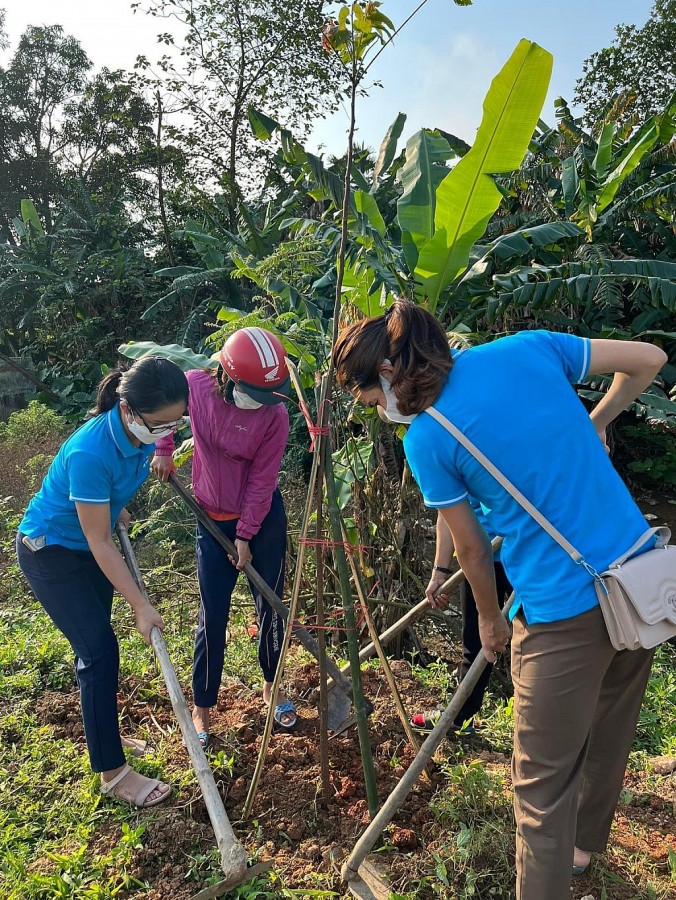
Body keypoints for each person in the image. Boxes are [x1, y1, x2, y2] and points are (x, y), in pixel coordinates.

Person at [333, 299, 666, 900]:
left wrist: (489, 620)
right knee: (610, 728)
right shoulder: (528, 348)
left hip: (564, 613)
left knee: (539, 788)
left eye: (367, 398)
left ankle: (554, 873)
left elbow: (475, 551)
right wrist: (599, 417)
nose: (376, 410)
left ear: (385, 373)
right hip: (641, 585)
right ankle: (583, 851)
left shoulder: (429, 436)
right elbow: (649, 358)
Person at [17, 357, 189, 809]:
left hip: (86, 542)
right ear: (128, 409)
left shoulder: (141, 431)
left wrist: (114, 507)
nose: (166, 432)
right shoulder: (91, 451)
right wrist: (141, 605)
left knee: (96, 651)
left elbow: (104, 510)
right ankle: (113, 773)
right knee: (98, 651)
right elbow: (98, 541)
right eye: (160, 424)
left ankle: (105, 737)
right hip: (51, 551)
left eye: (176, 423)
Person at [152, 326, 295, 748]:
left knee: (270, 605)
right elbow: (161, 410)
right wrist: (164, 449)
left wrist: (247, 535)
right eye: (254, 392)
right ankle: (203, 706)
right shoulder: (195, 387)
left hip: (261, 520)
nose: (261, 402)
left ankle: (273, 684)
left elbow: (262, 480)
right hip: (210, 519)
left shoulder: (274, 415)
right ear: (228, 377)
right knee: (212, 614)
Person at [410, 499, 512, 737]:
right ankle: (460, 717)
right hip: (477, 557)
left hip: (524, 552)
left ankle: (543, 725)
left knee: (539, 637)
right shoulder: (448, 464)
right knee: (475, 643)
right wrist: (440, 573)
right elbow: (446, 511)